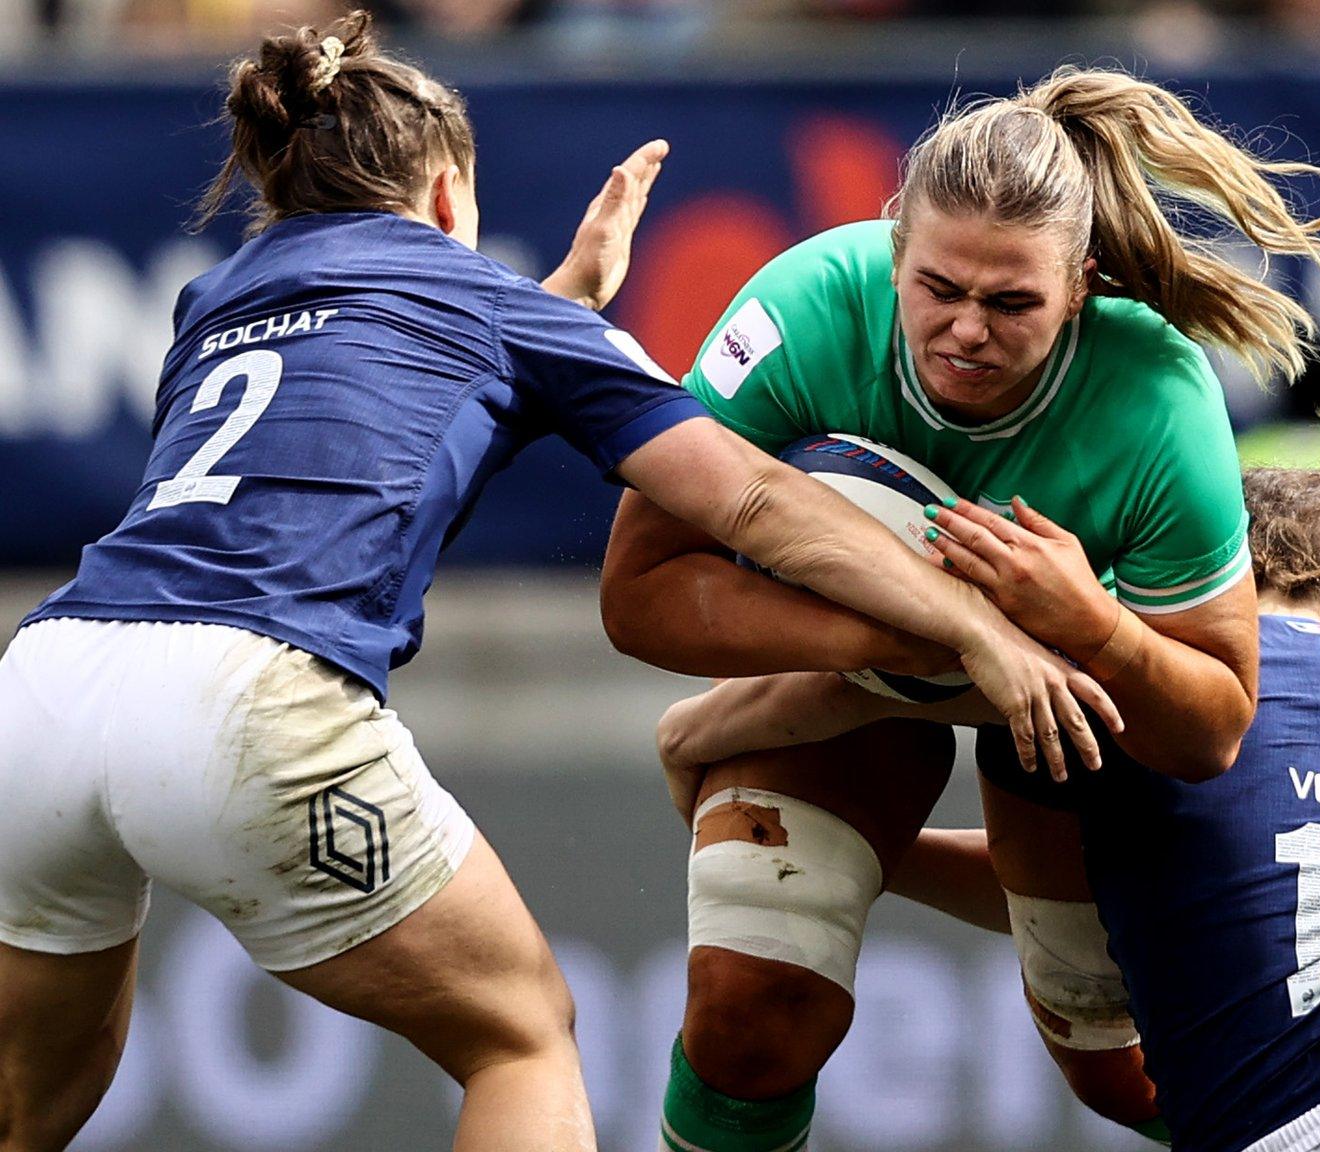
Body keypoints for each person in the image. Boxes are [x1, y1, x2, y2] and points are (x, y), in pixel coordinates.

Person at [0, 14, 1113, 1152]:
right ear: (445, 196)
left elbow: (374, 375)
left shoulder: (214, 302)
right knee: (520, 1037)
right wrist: (976, 630)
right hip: (242, 697)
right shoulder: (498, 307)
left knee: (27, 1107)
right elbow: (752, 502)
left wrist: (558, 302)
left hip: (46, 683)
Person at [596, 66, 1320, 1152]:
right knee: (748, 1018)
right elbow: (638, 597)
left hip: (1067, 709)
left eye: (1012, 304)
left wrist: (1082, 626)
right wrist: (913, 636)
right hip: (883, 668)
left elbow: (1209, 727)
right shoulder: (802, 309)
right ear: (891, 242)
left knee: (1126, 1081)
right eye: (937, 288)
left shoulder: (1156, 397)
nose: (965, 331)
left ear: (1083, 283)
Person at [659, 398, 1320, 1152]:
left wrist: (696, 734)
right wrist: (887, 859)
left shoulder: (1164, 667)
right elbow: (1162, 884)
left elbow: (880, 681)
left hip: (1312, 1114)